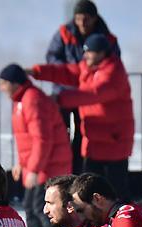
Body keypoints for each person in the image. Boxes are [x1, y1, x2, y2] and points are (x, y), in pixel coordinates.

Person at [31, 34, 134, 200]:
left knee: (116, 192)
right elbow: (65, 72)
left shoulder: (114, 72)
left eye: (89, 52)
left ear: (101, 53)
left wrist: (60, 99)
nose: (85, 56)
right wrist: (36, 72)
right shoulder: (88, 68)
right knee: (90, 193)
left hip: (114, 142)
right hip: (95, 141)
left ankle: (126, 216)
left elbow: (93, 93)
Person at [0, 64, 69, 227]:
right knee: (30, 206)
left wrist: (35, 170)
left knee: (41, 207)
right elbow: (26, 139)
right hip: (37, 163)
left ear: (14, 83)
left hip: (48, 164)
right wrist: (21, 163)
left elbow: (42, 139)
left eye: (3, 83)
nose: (1, 88)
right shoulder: (21, 100)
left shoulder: (32, 99)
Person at [45, 0, 121, 173]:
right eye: (78, 18)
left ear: (94, 18)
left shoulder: (107, 38)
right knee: (61, 134)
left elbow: (113, 63)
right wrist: (70, 73)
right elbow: (52, 57)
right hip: (64, 92)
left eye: (86, 18)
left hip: (88, 96)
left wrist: (89, 74)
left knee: (83, 134)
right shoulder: (64, 33)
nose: (81, 23)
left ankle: (78, 171)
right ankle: (62, 171)